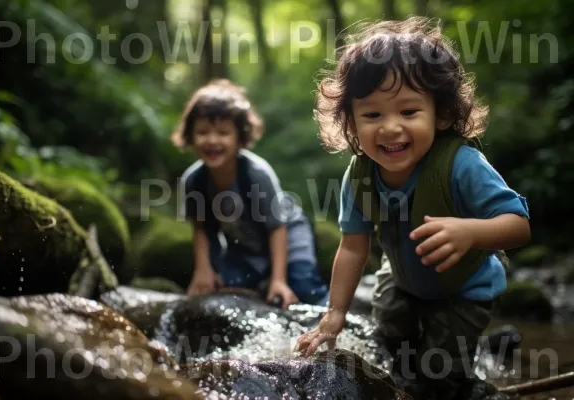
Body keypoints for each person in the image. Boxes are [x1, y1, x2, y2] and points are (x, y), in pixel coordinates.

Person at [294, 16, 531, 399]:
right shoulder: (359, 176)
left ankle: (471, 387)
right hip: (401, 282)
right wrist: (335, 312)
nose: (389, 128)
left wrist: (469, 232)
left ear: (442, 114)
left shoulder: (460, 164)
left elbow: (518, 225)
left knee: (441, 376)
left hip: (464, 289)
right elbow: (353, 246)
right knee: (392, 346)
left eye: (408, 112)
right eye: (372, 114)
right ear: (351, 122)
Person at [173, 79, 329, 309]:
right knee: (224, 287)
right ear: (190, 135)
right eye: (203, 132)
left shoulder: (256, 174)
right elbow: (201, 228)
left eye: (223, 132)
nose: (212, 140)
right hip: (246, 249)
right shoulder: (194, 180)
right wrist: (203, 271)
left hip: (287, 234)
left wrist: (279, 280)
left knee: (303, 287)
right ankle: (264, 281)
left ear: (240, 138)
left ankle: (328, 310)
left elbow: (277, 228)